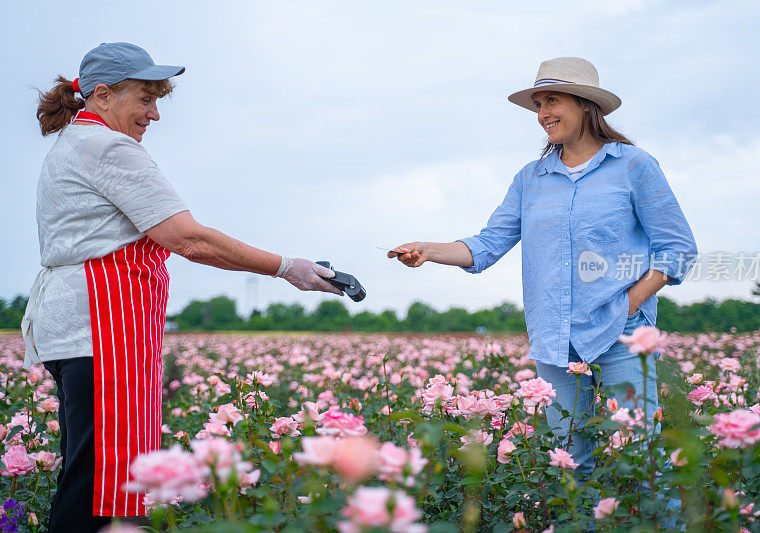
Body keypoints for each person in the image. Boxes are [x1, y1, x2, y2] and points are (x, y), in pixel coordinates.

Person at [23, 42, 342, 533]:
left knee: (88, 477)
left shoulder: (72, 143)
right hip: (106, 329)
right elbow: (188, 239)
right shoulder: (108, 147)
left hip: (81, 330)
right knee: (109, 489)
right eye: (144, 99)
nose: (153, 114)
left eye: (158, 100)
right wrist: (286, 267)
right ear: (102, 95)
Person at [389, 57, 697, 473]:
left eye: (552, 100)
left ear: (586, 105)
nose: (542, 114)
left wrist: (628, 305)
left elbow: (677, 249)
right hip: (553, 336)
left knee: (643, 457)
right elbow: (488, 244)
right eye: (538, 104)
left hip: (622, 332)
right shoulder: (530, 178)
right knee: (571, 461)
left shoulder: (634, 166)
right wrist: (428, 249)